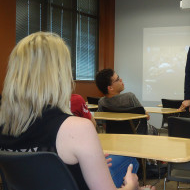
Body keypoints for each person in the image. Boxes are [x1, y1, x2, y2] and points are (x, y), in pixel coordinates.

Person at [0, 32, 155, 190]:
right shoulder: (78, 128)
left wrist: (88, 158)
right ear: (60, 74)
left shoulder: (3, 124)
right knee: (131, 170)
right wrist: (131, 186)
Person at [70, 93, 140, 188]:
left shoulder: (48, 119)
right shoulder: (76, 101)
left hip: (66, 175)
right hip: (83, 180)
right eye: (117, 79)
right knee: (131, 158)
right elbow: (92, 124)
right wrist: (131, 186)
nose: (121, 81)